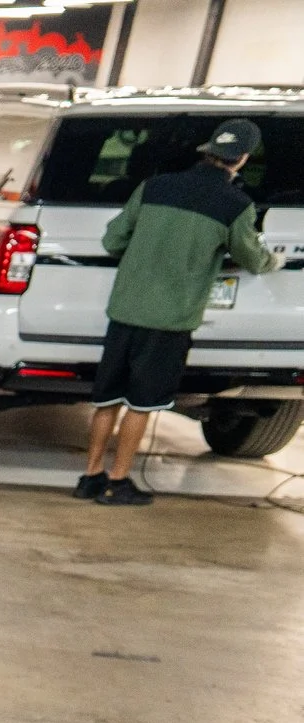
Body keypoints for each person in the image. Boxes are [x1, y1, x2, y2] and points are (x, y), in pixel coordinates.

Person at [77, 116, 278, 505]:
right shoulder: (235, 205)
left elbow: (113, 239)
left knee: (108, 398)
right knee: (142, 403)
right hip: (168, 321)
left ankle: (90, 477)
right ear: (242, 159)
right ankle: (117, 482)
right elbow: (252, 257)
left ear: (209, 149)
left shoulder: (154, 187)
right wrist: (274, 262)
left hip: (124, 311)